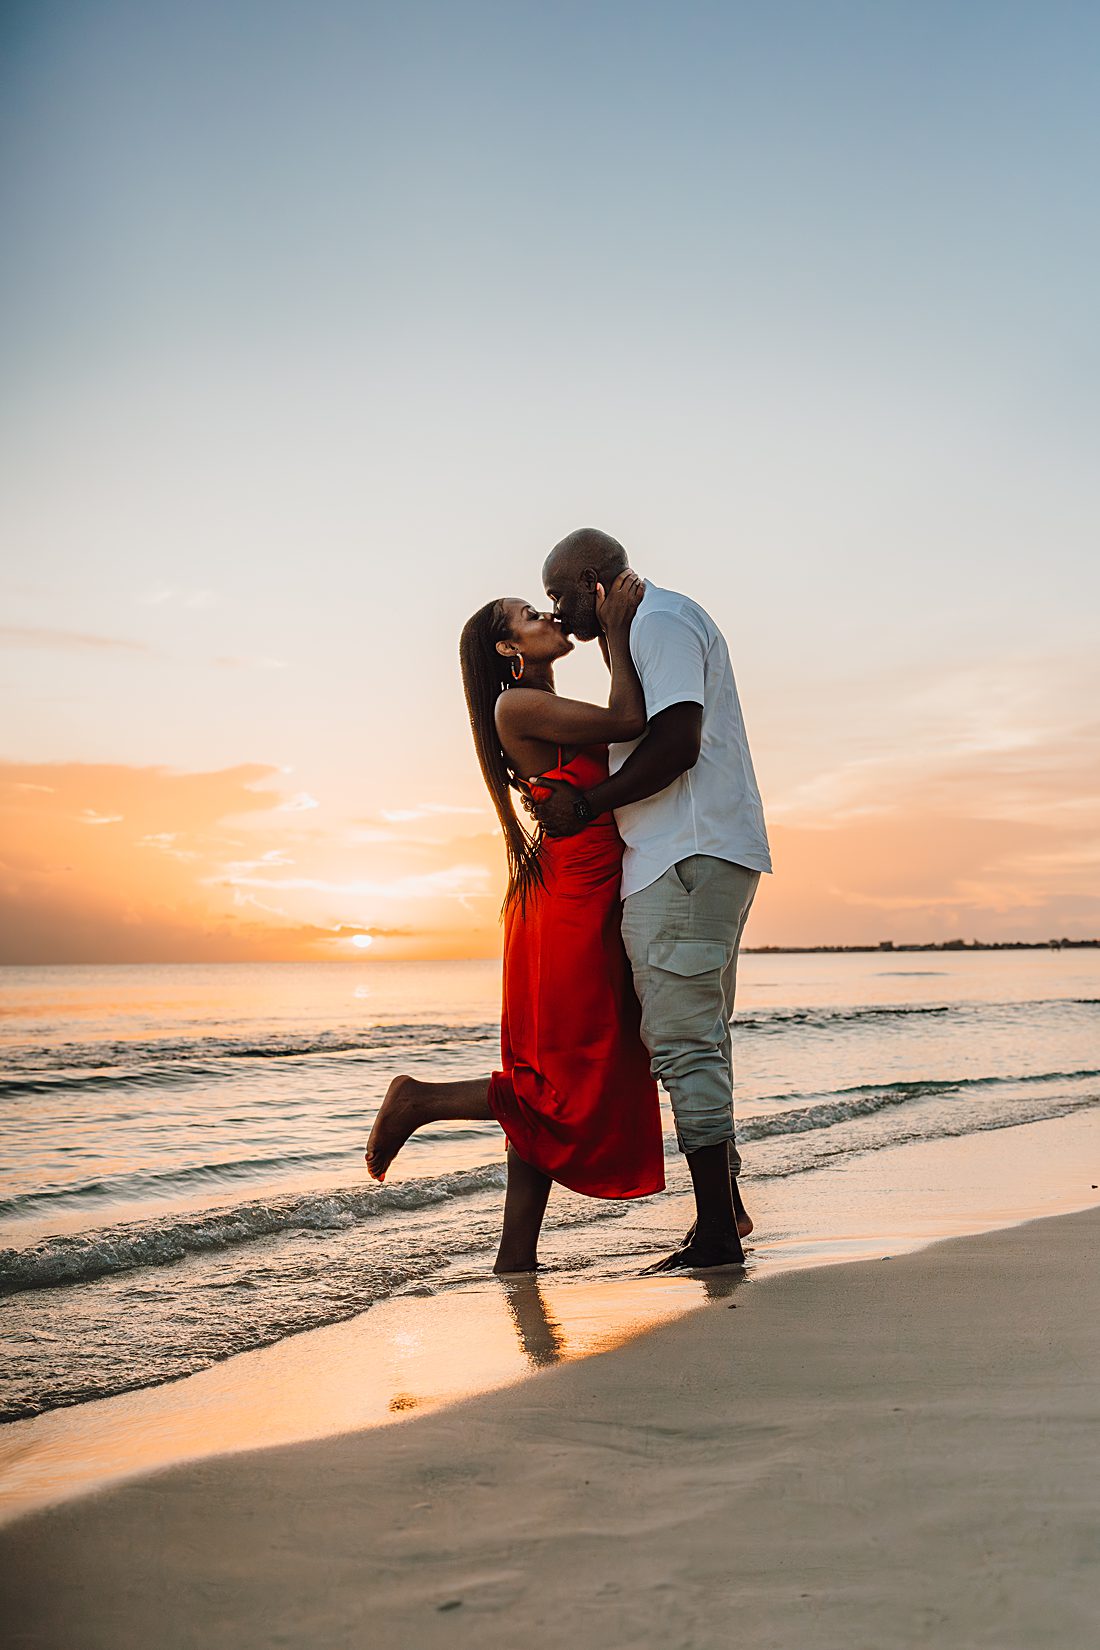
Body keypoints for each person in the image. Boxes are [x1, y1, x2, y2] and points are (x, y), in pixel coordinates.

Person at [364, 571, 664, 1274]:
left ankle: (515, 1258)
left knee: (551, 1073)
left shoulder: (542, 699)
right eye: (529, 615)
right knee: (565, 1079)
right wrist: (615, 628)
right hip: (568, 901)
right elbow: (631, 721)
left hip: (574, 892)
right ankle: (420, 1099)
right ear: (508, 647)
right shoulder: (520, 705)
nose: (547, 616)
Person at [532, 527, 772, 1273]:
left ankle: (715, 1239)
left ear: (594, 580)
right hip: (695, 854)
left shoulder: (659, 623)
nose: (556, 611)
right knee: (701, 1036)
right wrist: (611, 639)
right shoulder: (642, 627)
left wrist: (590, 805)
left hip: (686, 855)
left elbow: (674, 744)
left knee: (683, 1043)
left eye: (560, 594)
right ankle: (724, 1211)